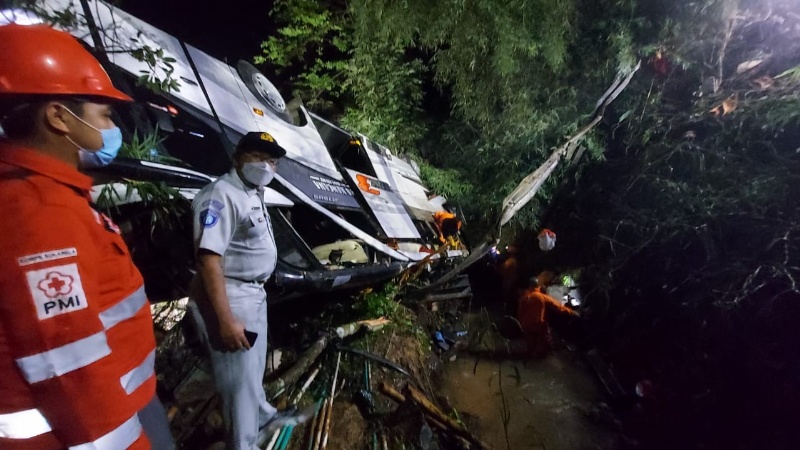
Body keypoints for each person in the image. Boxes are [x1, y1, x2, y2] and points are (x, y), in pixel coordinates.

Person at [0, 24, 174, 449]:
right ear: (58, 116)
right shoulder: (39, 215)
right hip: (99, 430)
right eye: (105, 114)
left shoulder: (51, 196)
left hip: (124, 403)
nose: (112, 126)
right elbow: (69, 366)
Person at [187, 131, 305, 450]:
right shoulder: (220, 195)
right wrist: (225, 320)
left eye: (272, 161)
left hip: (252, 299)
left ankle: (263, 417)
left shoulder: (252, 193)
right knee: (237, 384)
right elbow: (209, 259)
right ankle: (243, 444)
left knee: (252, 370)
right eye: (257, 157)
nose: (265, 166)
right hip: (229, 299)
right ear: (239, 157)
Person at [516, 272, 577, 358]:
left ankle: (529, 356)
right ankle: (541, 357)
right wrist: (572, 312)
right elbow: (558, 306)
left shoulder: (524, 296)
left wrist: (521, 323)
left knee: (530, 346)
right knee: (545, 341)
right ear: (538, 286)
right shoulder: (542, 297)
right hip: (538, 325)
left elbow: (520, 311)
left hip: (526, 325)